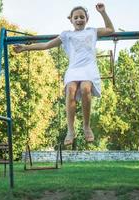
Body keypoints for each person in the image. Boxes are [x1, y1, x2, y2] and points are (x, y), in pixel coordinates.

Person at [13, 3, 115, 145]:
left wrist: (103, 12)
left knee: (86, 88)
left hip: (89, 67)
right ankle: (70, 130)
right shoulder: (66, 35)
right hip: (74, 68)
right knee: (71, 89)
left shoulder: (92, 31)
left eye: (82, 17)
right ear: (71, 20)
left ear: (87, 19)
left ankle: (86, 126)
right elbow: (46, 45)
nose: (79, 19)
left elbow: (110, 29)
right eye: (76, 17)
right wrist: (25, 48)